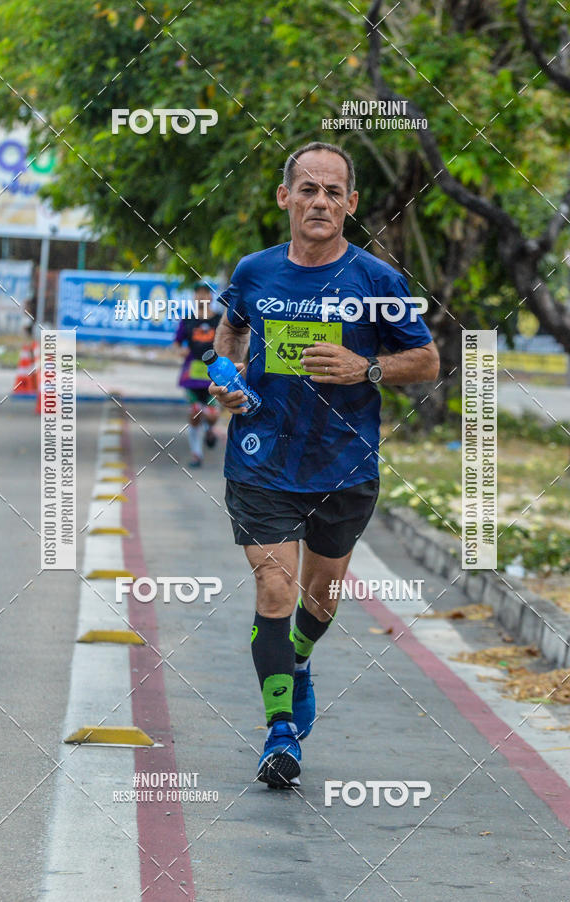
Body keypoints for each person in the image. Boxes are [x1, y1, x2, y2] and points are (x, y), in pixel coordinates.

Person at [209, 141, 440, 789]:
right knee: (274, 587)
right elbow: (229, 332)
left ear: (351, 203)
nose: (320, 202)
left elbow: (426, 361)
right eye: (308, 189)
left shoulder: (378, 281)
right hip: (261, 458)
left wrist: (366, 368)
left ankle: (301, 658)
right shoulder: (255, 271)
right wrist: (225, 378)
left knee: (321, 596)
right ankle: (280, 732)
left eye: (333, 192)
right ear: (285, 197)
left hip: (343, 465)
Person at [174, 282, 221, 467]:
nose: (201, 297)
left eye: (205, 293)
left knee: (212, 414)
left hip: (213, 376)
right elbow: (176, 343)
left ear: (210, 297)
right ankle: (196, 455)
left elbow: (229, 342)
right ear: (194, 297)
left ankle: (209, 429)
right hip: (192, 376)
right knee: (194, 413)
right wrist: (180, 351)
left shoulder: (219, 320)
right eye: (198, 294)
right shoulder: (188, 320)